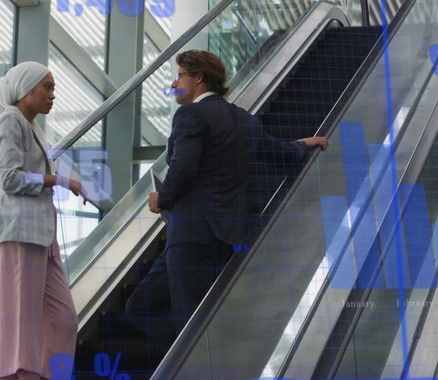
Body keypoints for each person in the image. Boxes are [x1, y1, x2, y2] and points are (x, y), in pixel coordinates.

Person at [128, 50, 328, 344]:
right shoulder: (244, 120)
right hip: (225, 239)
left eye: (179, 75)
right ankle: (204, 357)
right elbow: (279, 154)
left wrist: (164, 199)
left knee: (187, 323)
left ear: (198, 78)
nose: (173, 83)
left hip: (189, 236)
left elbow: (183, 166)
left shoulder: (190, 114)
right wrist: (302, 145)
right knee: (140, 305)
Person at [0, 61, 87, 380]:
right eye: (47, 87)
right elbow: (8, 178)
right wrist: (57, 179)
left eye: (53, 87)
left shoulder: (28, 127)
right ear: (25, 89)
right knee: (26, 328)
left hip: (40, 235)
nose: (52, 94)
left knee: (63, 319)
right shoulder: (9, 121)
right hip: (22, 233)